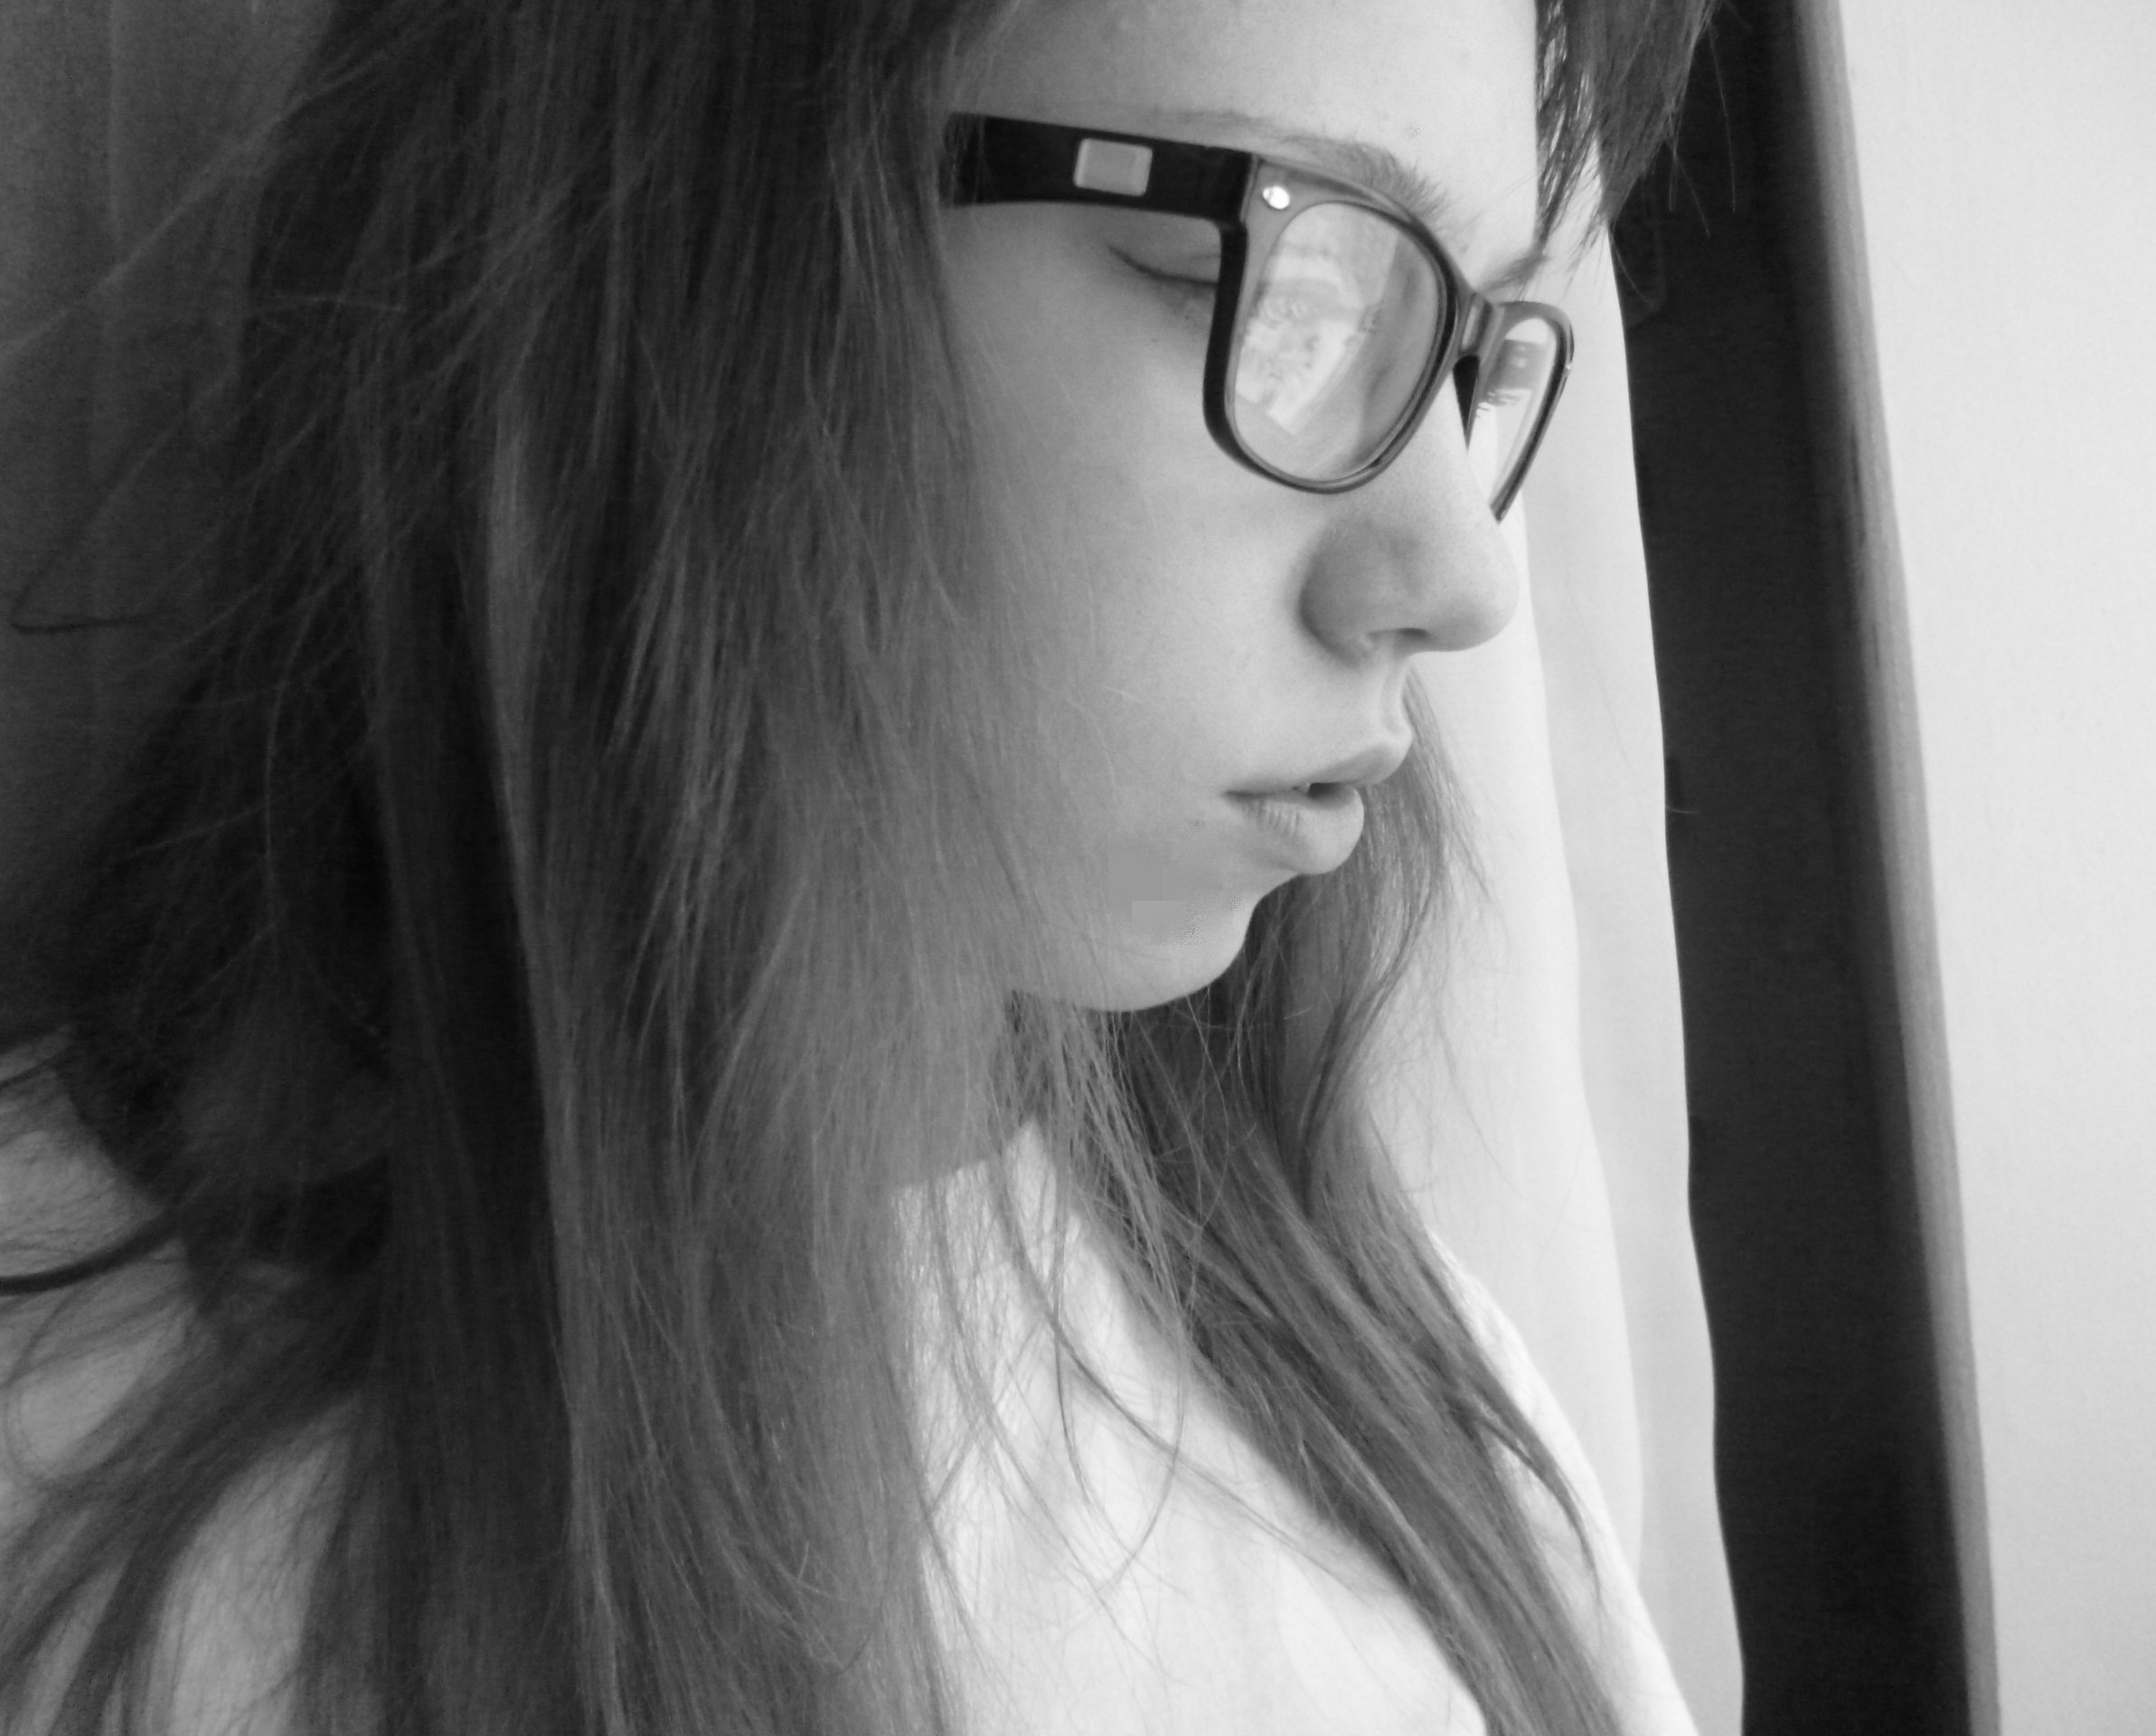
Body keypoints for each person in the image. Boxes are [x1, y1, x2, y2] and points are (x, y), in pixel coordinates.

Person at [0, 0, 1714, 1729]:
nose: (1465, 576)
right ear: (673, 241)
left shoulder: (1389, 1382)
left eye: (1477, 358)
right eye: (1303, 288)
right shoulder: (72, 1472)